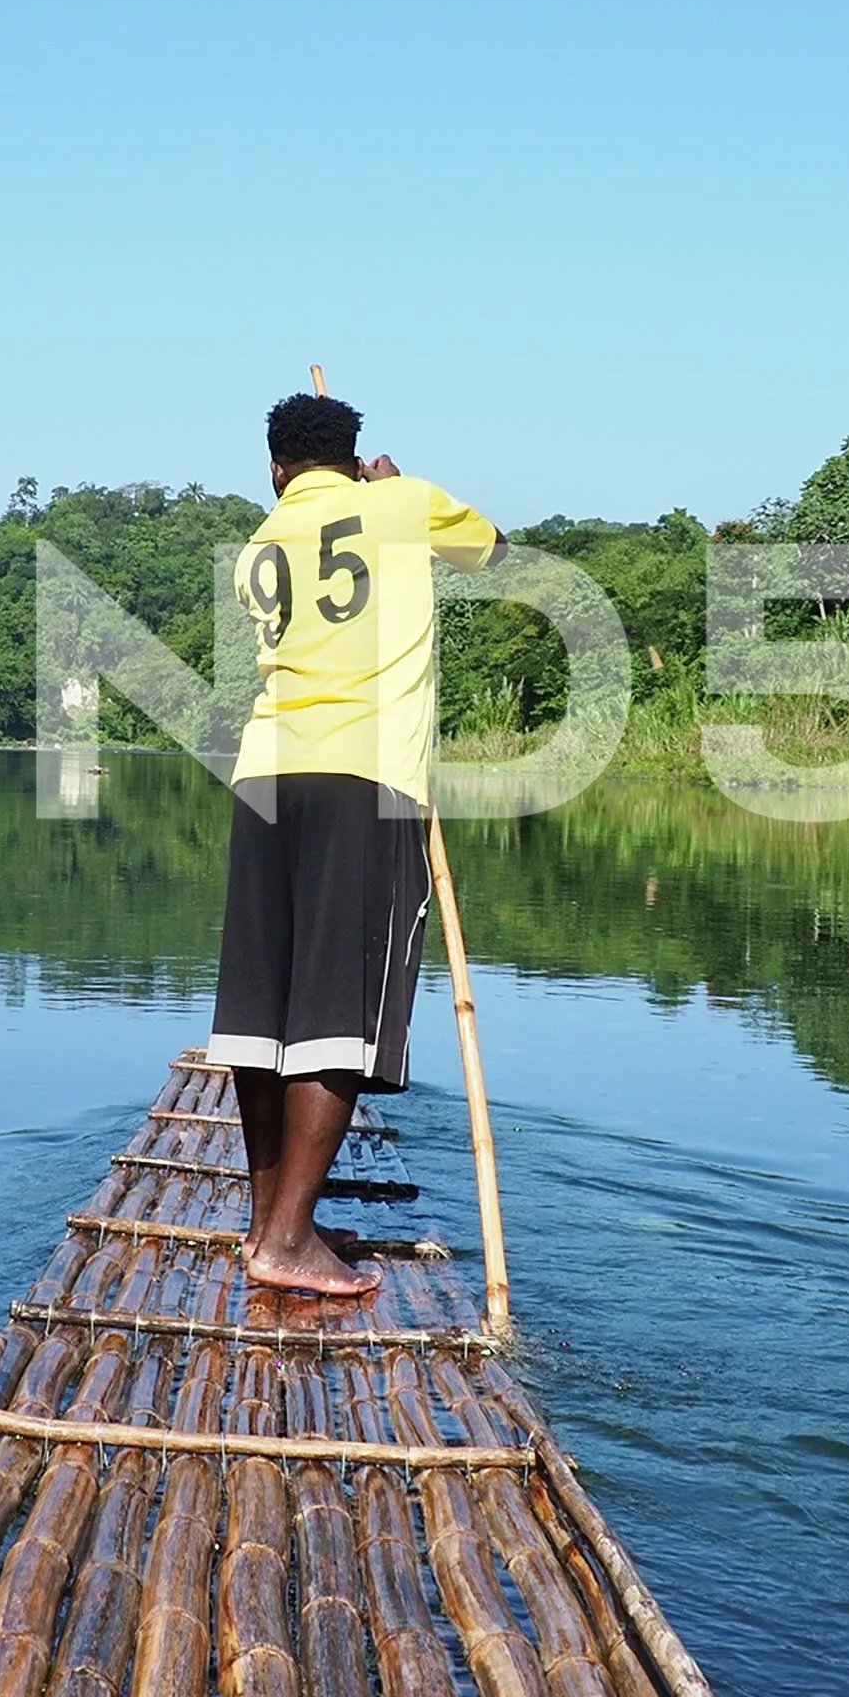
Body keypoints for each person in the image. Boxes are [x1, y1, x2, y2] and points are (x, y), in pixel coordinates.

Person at [208, 390, 506, 1296]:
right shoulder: (399, 504)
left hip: (264, 775)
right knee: (340, 1010)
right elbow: (490, 550)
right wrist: (397, 486)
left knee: (266, 1017)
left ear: (274, 469)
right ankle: (289, 1238)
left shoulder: (258, 547)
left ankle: (271, 1224)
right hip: (362, 778)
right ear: (355, 454)